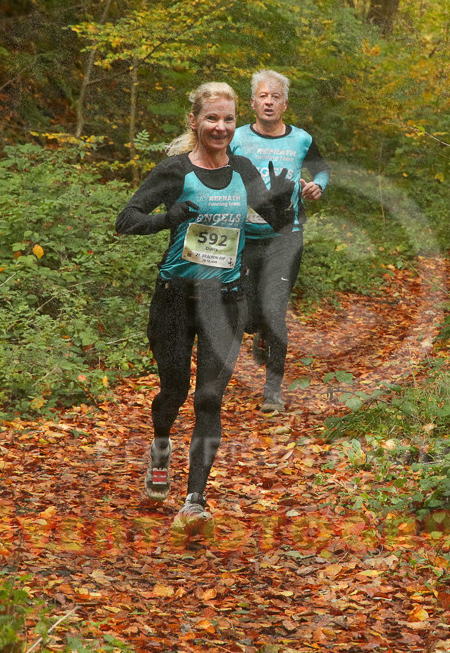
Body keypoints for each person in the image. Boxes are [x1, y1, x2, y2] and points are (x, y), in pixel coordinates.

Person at [115, 82, 294, 529]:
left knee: (209, 398)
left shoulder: (245, 169)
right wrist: (167, 218)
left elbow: (273, 225)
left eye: (228, 119)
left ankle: (195, 500)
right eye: (212, 118)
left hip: (226, 302)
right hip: (175, 300)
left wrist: (281, 201)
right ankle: (160, 445)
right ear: (194, 121)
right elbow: (125, 221)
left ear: (237, 124)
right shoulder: (174, 171)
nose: (220, 127)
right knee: (174, 390)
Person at [231, 70, 330, 413]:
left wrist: (318, 186)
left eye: (275, 96)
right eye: (263, 96)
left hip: (286, 237)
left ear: (285, 104)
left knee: (275, 311)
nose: (269, 101)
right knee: (244, 316)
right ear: (253, 103)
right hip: (241, 237)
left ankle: (273, 390)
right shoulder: (236, 137)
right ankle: (258, 332)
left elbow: (322, 170)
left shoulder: (301, 139)